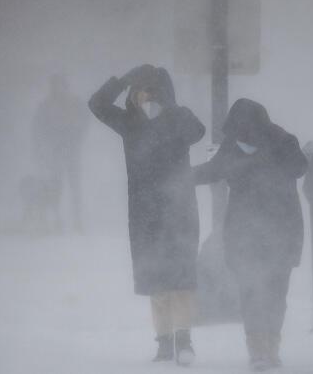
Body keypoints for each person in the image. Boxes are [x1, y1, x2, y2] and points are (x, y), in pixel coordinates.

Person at [88, 64, 205, 366]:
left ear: (163, 93)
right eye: (138, 90)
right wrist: (122, 79)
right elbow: (97, 104)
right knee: (157, 282)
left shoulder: (178, 118)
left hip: (179, 210)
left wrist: (171, 109)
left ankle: (184, 340)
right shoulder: (130, 122)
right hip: (145, 213)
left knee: (181, 280)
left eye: (150, 91)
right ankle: (164, 342)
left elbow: (198, 131)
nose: (143, 97)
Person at [193, 98, 308, 371]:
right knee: (250, 292)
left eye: (243, 132)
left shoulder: (283, 142)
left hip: (281, 232)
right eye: (235, 134)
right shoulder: (232, 147)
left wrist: (267, 152)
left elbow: (300, 168)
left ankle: (271, 347)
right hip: (245, 235)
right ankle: (258, 349)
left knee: (276, 293)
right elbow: (211, 171)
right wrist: (177, 177)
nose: (240, 139)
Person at [31, 74, 88, 234]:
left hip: (70, 151)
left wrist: (77, 138)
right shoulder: (47, 106)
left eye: (61, 85)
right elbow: (37, 129)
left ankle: (77, 220)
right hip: (55, 152)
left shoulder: (74, 104)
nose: (59, 89)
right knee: (56, 186)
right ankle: (57, 219)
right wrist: (40, 149)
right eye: (56, 85)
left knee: (73, 186)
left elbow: (84, 123)